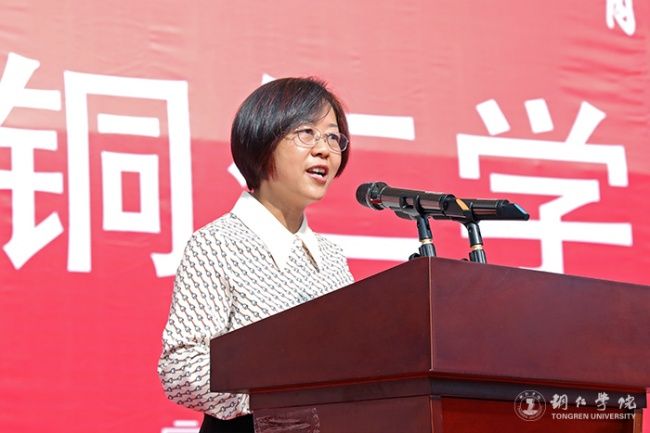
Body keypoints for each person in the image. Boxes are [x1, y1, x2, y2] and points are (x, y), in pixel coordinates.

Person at [158, 77, 354, 433]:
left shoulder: (332, 258)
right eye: (307, 133)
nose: (324, 150)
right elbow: (180, 369)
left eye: (332, 137)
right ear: (261, 140)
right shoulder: (217, 244)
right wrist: (274, 394)